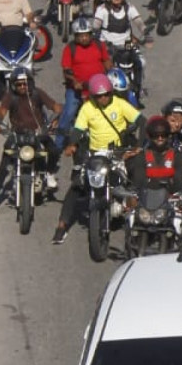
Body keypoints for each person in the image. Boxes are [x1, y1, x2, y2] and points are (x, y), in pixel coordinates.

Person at [51, 74, 143, 245]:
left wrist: (139, 146)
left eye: (106, 94)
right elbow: (78, 129)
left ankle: (139, 222)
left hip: (118, 152)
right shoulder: (87, 108)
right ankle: (62, 226)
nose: (103, 98)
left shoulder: (121, 104)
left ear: (111, 92)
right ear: (93, 96)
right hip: (96, 154)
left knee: (136, 176)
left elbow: (141, 120)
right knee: (78, 185)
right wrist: (72, 144)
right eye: (99, 95)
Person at [0, 70, 60, 216]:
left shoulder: (37, 94)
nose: (23, 87)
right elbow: (2, 112)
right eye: (19, 84)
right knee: (3, 169)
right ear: (13, 86)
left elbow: (56, 107)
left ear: (30, 83)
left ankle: (49, 173)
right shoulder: (10, 97)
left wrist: (55, 120)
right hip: (17, 135)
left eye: (25, 83)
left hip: (38, 133)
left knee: (54, 151)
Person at [58, 13, 112, 136]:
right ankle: (58, 145)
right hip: (78, 89)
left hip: (99, 88)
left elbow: (106, 60)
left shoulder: (99, 45)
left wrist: (112, 71)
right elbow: (66, 70)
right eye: (81, 36)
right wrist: (74, 82)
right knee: (69, 112)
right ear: (75, 36)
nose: (84, 38)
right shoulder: (69, 49)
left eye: (86, 35)